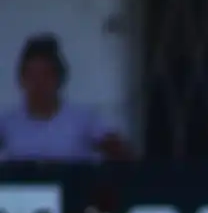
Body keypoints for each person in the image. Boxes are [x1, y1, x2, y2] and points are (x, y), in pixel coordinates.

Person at [0, 34, 129, 162]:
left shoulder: (84, 120)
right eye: (32, 76)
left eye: (46, 75)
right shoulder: (7, 123)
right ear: (21, 80)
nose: (39, 84)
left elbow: (122, 153)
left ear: (59, 79)